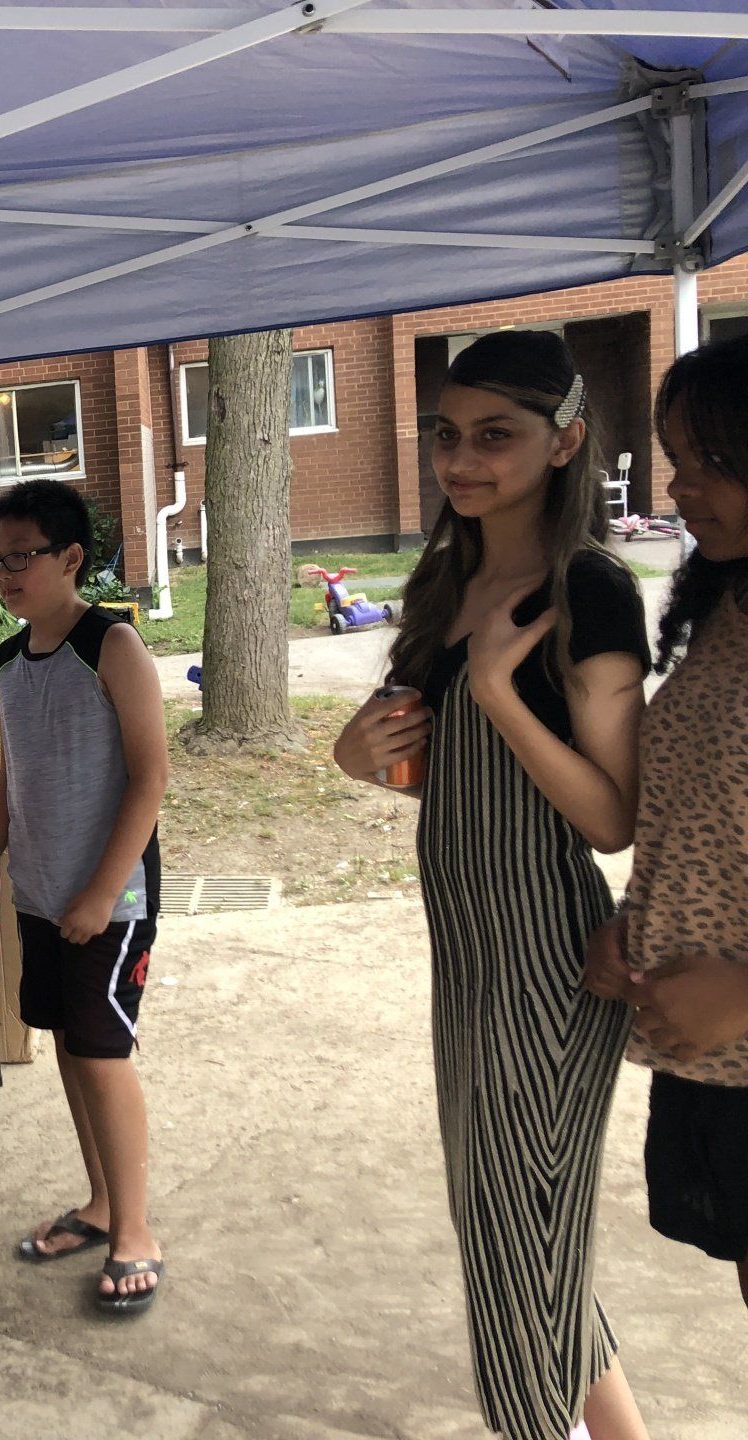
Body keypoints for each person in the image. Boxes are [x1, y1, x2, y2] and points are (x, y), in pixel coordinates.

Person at [334, 331, 650, 1440]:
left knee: (522, 1243)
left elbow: (612, 814)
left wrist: (503, 697)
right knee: (515, 1234)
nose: (462, 460)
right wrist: (355, 750)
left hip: (551, 960)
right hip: (466, 956)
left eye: (496, 437)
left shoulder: (590, 590)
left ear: (565, 442)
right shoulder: (450, 579)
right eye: (447, 435)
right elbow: (425, 771)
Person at [0, 477, 168, 1314]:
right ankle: (101, 1203)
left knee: (104, 1055)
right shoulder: (4, 659)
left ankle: (136, 1229)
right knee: (67, 1045)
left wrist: (102, 891)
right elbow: (12, 776)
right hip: (42, 892)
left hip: (112, 900)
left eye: (20, 556)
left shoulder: (112, 646)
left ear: (70, 558)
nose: (3, 573)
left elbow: (150, 777)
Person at [583, 334, 748, 1308]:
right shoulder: (723, 603)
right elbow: (694, 814)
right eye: (678, 459)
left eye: (715, 461)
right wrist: (638, 927)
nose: (683, 488)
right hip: (712, 1060)